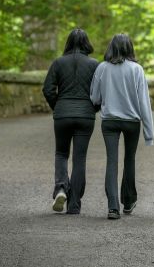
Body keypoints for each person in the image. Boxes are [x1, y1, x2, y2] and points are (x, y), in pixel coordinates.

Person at [90, 33, 154, 220]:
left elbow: (95, 98)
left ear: (111, 48)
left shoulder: (102, 68)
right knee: (129, 159)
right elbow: (144, 103)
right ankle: (128, 200)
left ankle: (112, 207)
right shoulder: (137, 70)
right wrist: (148, 134)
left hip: (109, 121)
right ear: (130, 48)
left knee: (112, 161)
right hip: (132, 122)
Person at [42, 28, 99, 214]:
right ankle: (74, 204)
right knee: (79, 158)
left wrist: (57, 106)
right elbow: (100, 93)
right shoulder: (94, 65)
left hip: (62, 114)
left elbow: (48, 89)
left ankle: (60, 188)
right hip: (85, 115)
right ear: (86, 43)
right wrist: (93, 108)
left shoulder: (58, 63)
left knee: (61, 154)